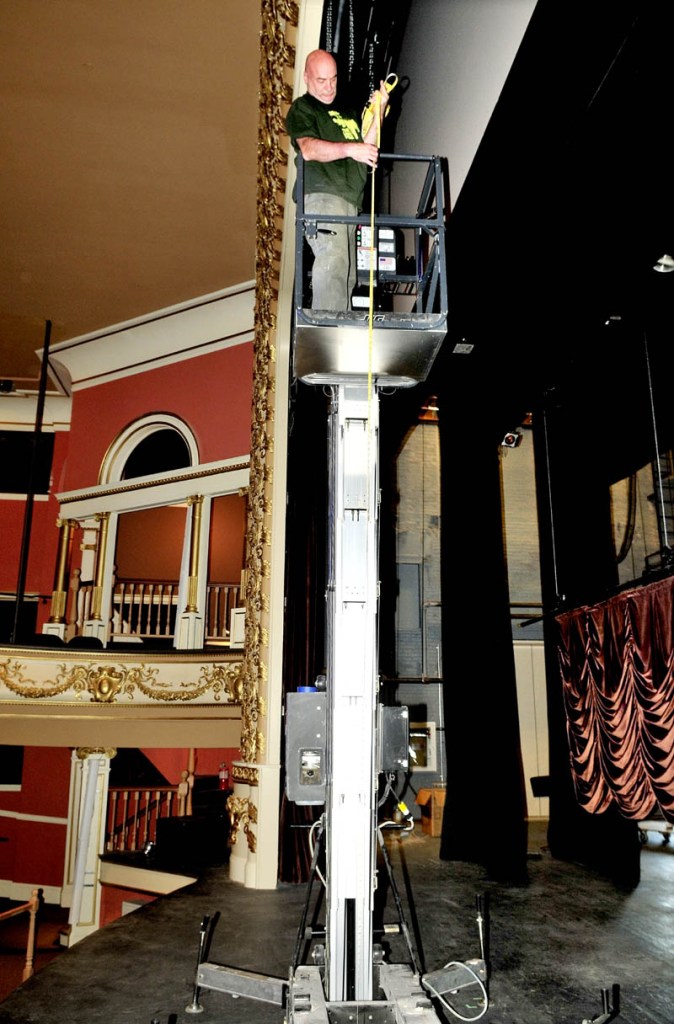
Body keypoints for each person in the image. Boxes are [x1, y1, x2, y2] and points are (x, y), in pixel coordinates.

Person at [285, 49, 391, 311]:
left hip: (350, 201)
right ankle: (329, 326)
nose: (329, 87)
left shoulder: (348, 110)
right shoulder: (304, 107)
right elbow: (308, 148)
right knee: (333, 260)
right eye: (321, 80)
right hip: (322, 194)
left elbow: (367, 146)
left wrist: (380, 109)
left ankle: (337, 324)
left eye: (333, 79)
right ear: (307, 78)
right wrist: (348, 149)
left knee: (349, 273)